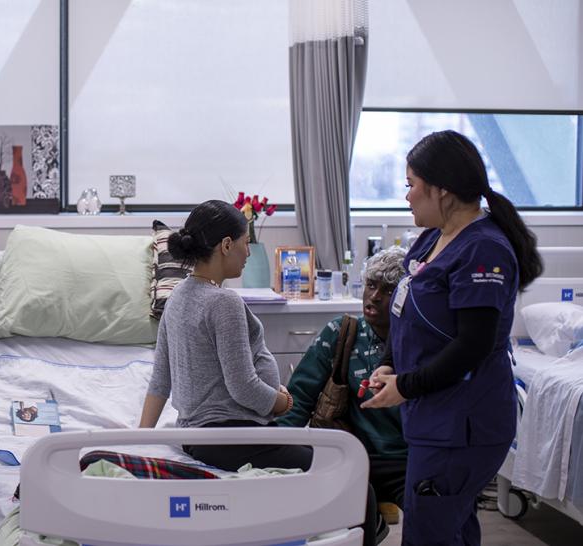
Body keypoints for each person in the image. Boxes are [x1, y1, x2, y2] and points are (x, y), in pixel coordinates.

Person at [362, 130, 543, 545]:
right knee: (451, 529)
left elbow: (472, 345)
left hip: (464, 424)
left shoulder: (483, 250)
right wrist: (390, 363)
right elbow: (407, 314)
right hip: (436, 418)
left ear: (441, 189)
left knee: (428, 534)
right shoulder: (432, 238)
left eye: (411, 185)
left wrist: (406, 386)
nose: (406, 196)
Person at [138, 200, 311, 472]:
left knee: (317, 453)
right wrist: (282, 402)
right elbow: (243, 387)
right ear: (227, 245)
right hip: (230, 435)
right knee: (340, 467)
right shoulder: (223, 302)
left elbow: (160, 380)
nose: (248, 252)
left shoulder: (177, 296)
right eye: (245, 243)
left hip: (198, 438)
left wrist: (139, 439)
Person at [278, 246, 408, 541]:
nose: (374, 296)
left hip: (407, 458)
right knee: (351, 521)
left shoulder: (420, 345)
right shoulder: (341, 332)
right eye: (371, 285)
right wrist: (276, 454)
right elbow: (299, 399)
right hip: (351, 456)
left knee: (430, 519)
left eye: (388, 290)